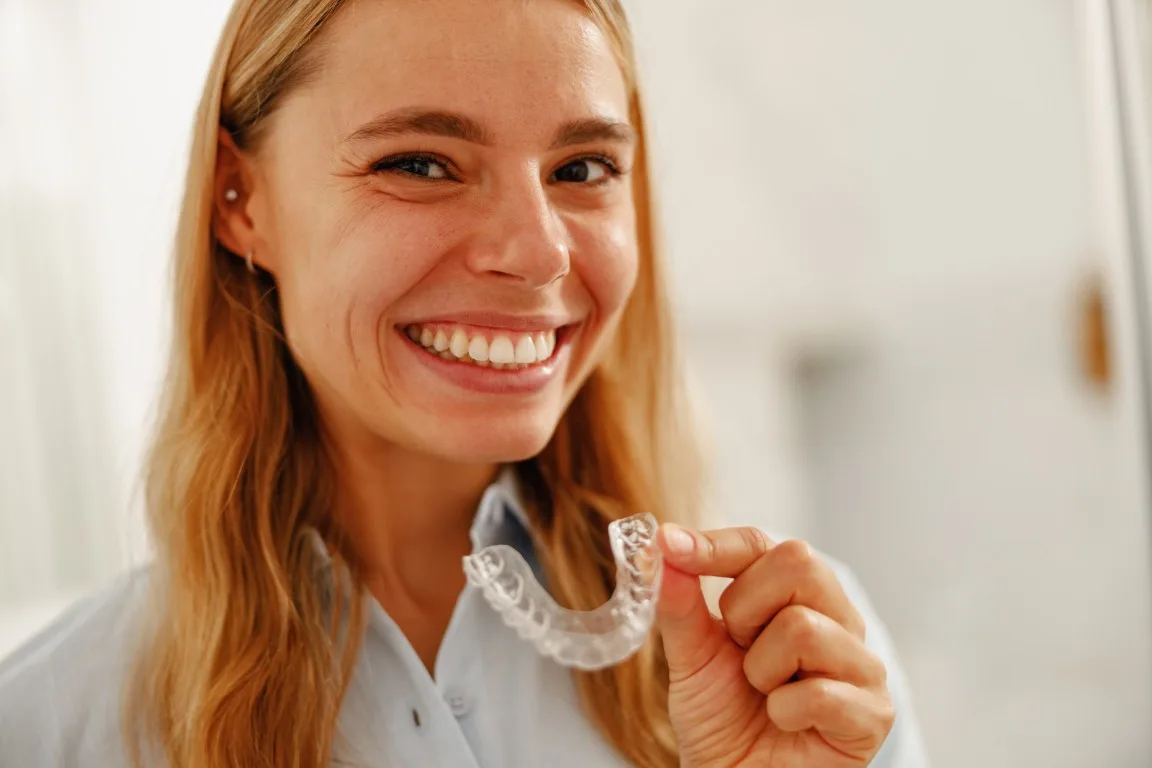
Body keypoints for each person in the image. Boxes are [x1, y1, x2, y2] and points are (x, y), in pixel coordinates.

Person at [0, 0, 929, 765]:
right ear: (242, 202)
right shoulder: (46, 729)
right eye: (419, 163)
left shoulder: (801, 673)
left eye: (582, 168)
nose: (537, 251)